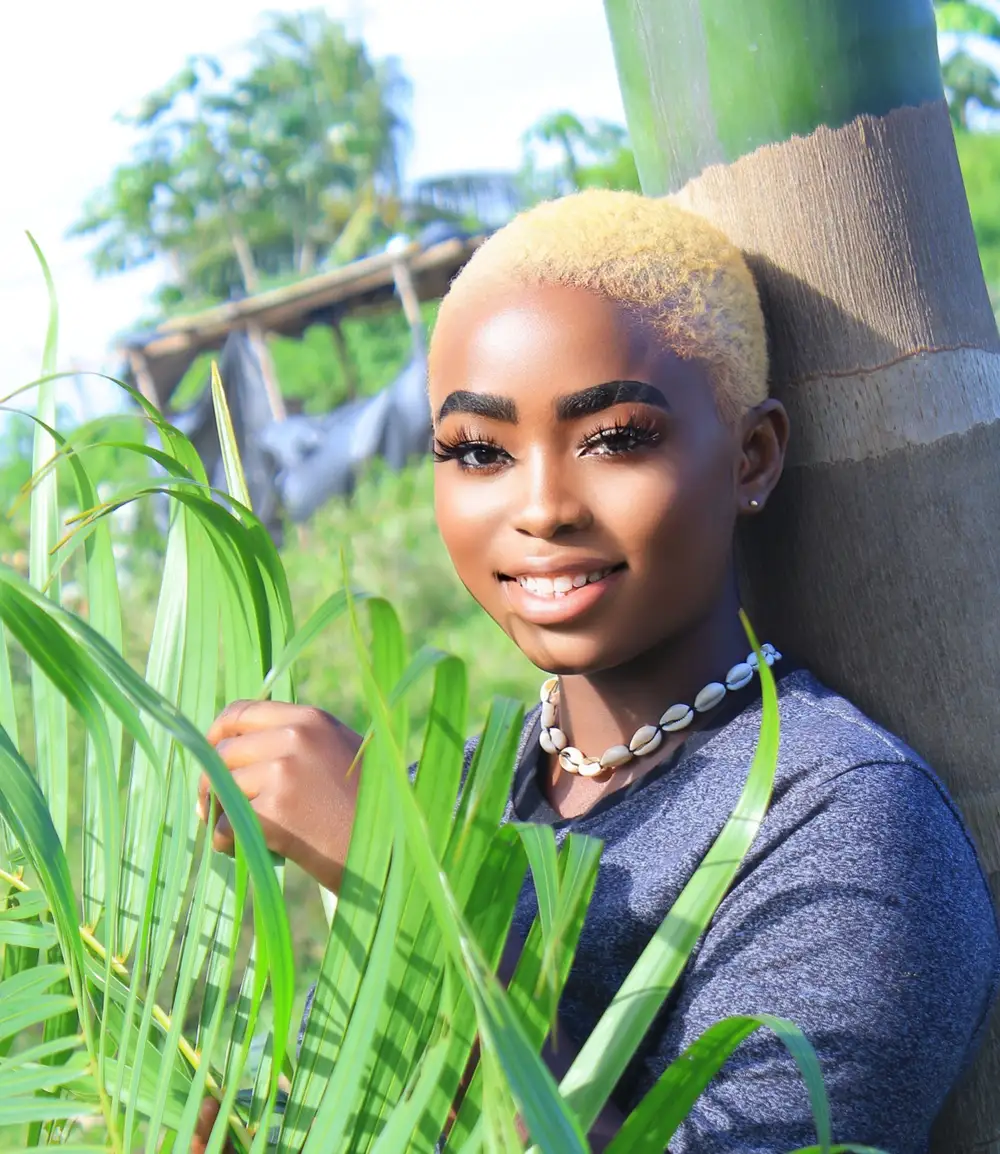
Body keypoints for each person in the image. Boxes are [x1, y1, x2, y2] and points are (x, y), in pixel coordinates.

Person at [193, 189, 1000, 1153]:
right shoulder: (459, 792)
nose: (542, 508)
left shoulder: (847, 825)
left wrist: (399, 879)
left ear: (751, 456)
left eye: (614, 438)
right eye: (479, 451)